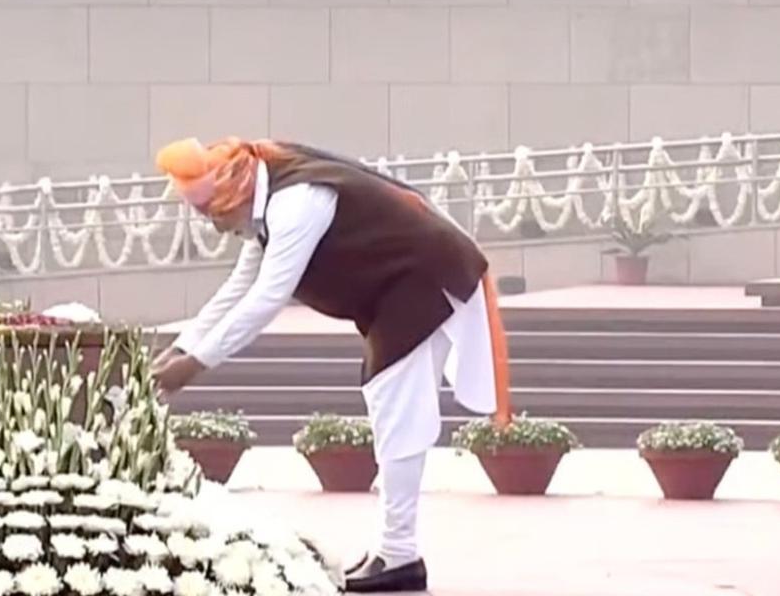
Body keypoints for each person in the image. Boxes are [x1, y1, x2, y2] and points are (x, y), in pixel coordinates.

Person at [149, 136, 512, 593]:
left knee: (398, 412)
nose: (216, 229)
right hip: (398, 291)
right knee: (391, 409)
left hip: (425, 282)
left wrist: (194, 366)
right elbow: (236, 290)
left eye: (211, 216)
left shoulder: (298, 201)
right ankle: (394, 551)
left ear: (231, 195)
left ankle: (399, 556)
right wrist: (179, 349)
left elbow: (266, 299)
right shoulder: (267, 207)